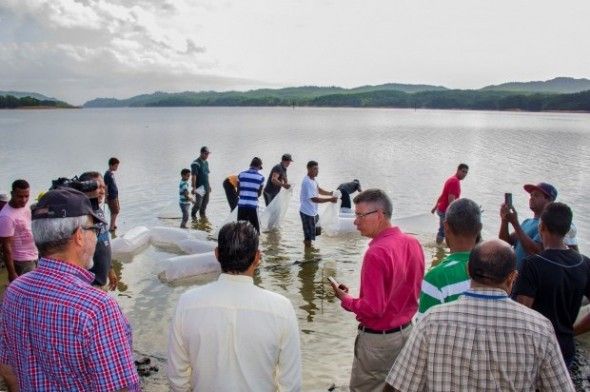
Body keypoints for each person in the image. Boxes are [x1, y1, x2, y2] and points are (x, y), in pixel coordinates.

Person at [384, 239, 574, 392]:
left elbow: (398, 386)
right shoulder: (539, 327)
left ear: (468, 270)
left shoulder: (432, 321)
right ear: (512, 278)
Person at [0, 188, 140, 391]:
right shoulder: (97, 308)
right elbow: (120, 388)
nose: (96, 238)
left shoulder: (14, 291)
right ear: (79, 236)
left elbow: (7, 368)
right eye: (94, 230)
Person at [167, 221, 301, 391]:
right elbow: (291, 383)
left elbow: (177, 376)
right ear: (257, 257)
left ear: (216, 254)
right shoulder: (282, 309)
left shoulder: (187, 303)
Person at [329, 189, 425, 391]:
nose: (355, 221)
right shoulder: (413, 243)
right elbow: (408, 289)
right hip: (407, 333)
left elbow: (374, 308)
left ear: (379, 216)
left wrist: (346, 299)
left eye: (359, 215)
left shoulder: (376, 252)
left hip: (379, 342)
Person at [514, 202, 590, 367]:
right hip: (564, 349)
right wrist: (571, 331)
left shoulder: (533, 265)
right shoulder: (584, 263)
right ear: (567, 230)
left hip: (535, 350)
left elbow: (522, 314)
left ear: (541, 227)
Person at [417, 198, 481, 319]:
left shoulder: (436, 278)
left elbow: (424, 328)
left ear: (446, 226)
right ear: (479, 228)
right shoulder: (495, 272)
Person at [499, 182, 557, 269]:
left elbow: (535, 252)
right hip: (512, 276)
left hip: (528, 279)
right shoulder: (527, 222)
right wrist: (504, 220)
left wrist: (515, 223)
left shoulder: (548, 225)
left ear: (549, 200)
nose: (531, 198)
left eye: (536, 195)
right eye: (531, 195)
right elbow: (505, 243)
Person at [79, 171, 118, 290]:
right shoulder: (81, 216)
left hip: (101, 280)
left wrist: (110, 269)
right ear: (86, 187)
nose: (102, 191)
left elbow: (104, 243)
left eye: (103, 187)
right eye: (97, 187)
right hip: (88, 284)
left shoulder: (98, 211)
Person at [0, 179, 38, 282]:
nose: (24, 200)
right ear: (12, 194)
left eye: (27, 196)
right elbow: (6, 248)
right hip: (22, 261)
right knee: (29, 290)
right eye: (20, 196)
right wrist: (12, 273)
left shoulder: (25, 206)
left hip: (35, 254)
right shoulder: (6, 217)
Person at [299, 160, 337, 247]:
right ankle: (308, 254)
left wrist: (330, 193)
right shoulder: (307, 182)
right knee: (308, 237)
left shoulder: (313, 180)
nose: (317, 171)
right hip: (307, 213)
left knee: (317, 232)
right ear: (308, 169)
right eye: (314, 169)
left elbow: (318, 190)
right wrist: (330, 199)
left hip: (313, 212)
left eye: (317, 169)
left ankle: (309, 249)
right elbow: (314, 199)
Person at [431, 163, 469, 244]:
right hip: (445, 211)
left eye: (466, 172)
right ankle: (439, 249)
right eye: (463, 171)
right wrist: (454, 214)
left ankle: (440, 246)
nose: (464, 174)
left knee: (445, 230)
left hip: (442, 208)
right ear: (458, 170)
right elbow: (451, 200)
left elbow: (442, 195)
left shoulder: (452, 179)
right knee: (443, 231)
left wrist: (435, 207)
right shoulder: (454, 181)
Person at [237, 157, 265, 233]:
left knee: (240, 228)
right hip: (252, 206)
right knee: (255, 230)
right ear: (259, 166)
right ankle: (253, 244)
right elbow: (259, 194)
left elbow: (238, 191)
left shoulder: (241, 175)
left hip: (241, 205)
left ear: (251, 165)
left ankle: (240, 243)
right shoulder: (261, 178)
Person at [191, 146, 211, 220]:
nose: (207, 155)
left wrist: (209, 186)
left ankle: (203, 217)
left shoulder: (206, 163)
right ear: (201, 153)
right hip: (200, 187)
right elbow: (193, 176)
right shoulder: (195, 163)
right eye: (206, 154)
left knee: (205, 203)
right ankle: (193, 215)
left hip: (206, 187)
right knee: (198, 204)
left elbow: (206, 175)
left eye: (208, 154)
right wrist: (193, 187)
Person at [104, 157, 120, 232]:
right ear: (111, 165)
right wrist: (106, 197)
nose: (116, 168)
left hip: (114, 195)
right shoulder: (107, 175)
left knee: (115, 210)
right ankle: (111, 227)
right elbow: (106, 186)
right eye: (116, 166)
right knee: (115, 211)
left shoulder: (111, 174)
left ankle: (113, 224)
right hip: (111, 196)